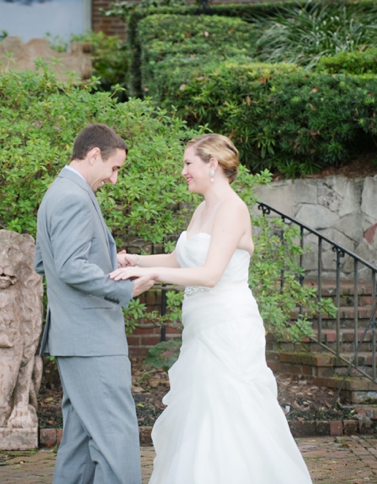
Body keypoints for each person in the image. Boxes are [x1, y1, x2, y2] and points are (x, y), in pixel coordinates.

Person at [110, 133, 312, 484]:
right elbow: (181, 258)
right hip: (200, 331)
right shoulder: (203, 208)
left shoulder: (233, 209)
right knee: (200, 415)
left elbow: (210, 273)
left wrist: (150, 274)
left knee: (228, 415)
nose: (183, 171)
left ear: (212, 165)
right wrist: (134, 258)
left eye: (189, 163)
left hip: (228, 329)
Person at [34, 123, 156, 484]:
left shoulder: (56, 193)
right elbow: (69, 266)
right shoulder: (73, 196)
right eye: (114, 168)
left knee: (80, 439)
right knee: (116, 437)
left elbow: (46, 262)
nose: (114, 179)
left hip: (74, 336)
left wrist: (106, 261)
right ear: (93, 155)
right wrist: (124, 289)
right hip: (92, 338)